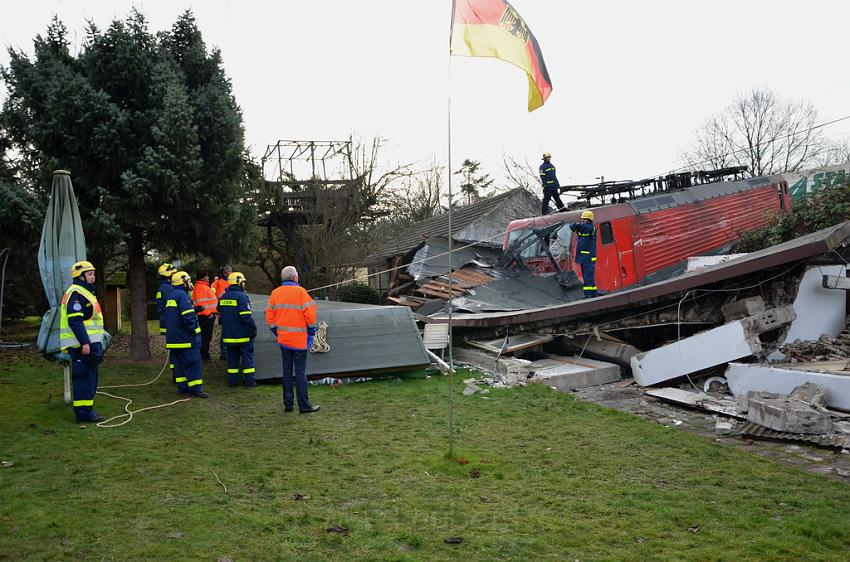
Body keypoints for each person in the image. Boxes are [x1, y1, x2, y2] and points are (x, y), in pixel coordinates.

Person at [265, 266, 320, 414]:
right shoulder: (302, 293)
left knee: (287, 371)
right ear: (295, 278)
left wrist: (277, 332)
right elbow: (311, 316)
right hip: (299, 340)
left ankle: (288, 404)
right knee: (300, 372)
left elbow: (269, 317)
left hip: (284, 340)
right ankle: (304, 405)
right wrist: (311, 332)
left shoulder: (275, 293)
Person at [59, 260, 107, 422]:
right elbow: (75, 321)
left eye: (93, 274)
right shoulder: (76, 293)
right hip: (82, 346)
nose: (93, 277)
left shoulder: (83, 291)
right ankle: (83, 413)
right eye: (89, 274)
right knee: (84, 379)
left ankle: (86, 410)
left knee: (90, 378)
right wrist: (85, 343)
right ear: (80, 277)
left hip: (89, 345)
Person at [164, 271, 208, 398]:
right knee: (193, 362)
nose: (190, 283)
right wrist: (194, 330)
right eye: (188, 280)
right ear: (183, 282)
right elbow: (187, 317)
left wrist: (194, 310)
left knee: (179, 364)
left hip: (174, 339)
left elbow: (175, 315)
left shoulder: (172, 295)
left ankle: (182, 388)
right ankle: (196, 389)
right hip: (185, 338)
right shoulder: (183, 296)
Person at [218, 272, 257, 387]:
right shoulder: (242, 297)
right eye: (243, 282)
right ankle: (249, 382)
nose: (244, 285)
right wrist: (253, 328)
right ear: (239, 282)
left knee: (232, 359)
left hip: (229, 335)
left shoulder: (224, 296)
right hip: (243, 335)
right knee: (247, 357)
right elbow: (245, 316)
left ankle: (232, 381)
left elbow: (219, 310)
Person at [569, 210, 598, 298]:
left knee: (588, 276)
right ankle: (593, 293)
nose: (582, 221)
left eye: (584, 219)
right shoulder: (583, 228)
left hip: (588, 257)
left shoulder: (590, 228)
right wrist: (577, 225)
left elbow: (578, 226)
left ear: (588, 220)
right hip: (584, 257)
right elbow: (572, 226)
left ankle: (588, 294)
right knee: (588, 276)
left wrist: (578, 225)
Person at [156, 263, 177, 377]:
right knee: (175, 350)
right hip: (170, 323)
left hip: (165, 322)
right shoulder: (168, 288)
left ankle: (176, 372)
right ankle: (176, 373)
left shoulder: (162, 287)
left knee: (174, 350)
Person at [192, 270, 218, 361]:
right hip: (206, 316)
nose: (208, 277)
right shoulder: (201, 287)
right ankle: (204, 356)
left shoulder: (203, 286)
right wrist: (208, 314)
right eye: (207, 276)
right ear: (203, 277)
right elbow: (201, 303)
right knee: (205, 337)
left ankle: (205, 354)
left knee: (206, 336)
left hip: (207, 315)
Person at [212, 265, 233, 360]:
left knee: (227, 331)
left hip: (226, 310)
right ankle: (224, 353)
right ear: (226, 272)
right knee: (225, 332)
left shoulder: (225, 281)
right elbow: (219, 295)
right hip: (224, 310)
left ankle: (226, 352)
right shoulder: (221, 282)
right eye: (230, 272)